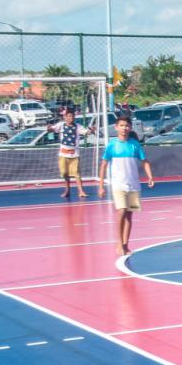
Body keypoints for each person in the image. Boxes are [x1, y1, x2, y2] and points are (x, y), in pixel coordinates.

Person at [97, 115, 154, 256]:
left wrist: (150, 176)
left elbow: (145, 161)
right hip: (118, 185)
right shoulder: (112, 145)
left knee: (129, 215)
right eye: (121, 125)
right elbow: (104, 164)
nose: (124, 128)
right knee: (121, 211)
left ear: (130, 127)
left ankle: (125, 244)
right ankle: (118, 243)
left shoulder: (135, 144)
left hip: (134, 185)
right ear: (116, 127)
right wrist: (101, 185)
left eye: (127, 125)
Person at [54, 106, 91, 199]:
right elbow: (52, 129)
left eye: (73, 116)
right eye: (69, 116)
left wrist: (91, 130)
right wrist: (49, 128)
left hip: (74, 154)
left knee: (76, 173)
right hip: (63, 154)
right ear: (65, 117)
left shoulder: (78, 127)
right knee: (64, 173)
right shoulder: (61, 125)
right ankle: (67, 190)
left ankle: (81, 191)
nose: (71, 118)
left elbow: (86, 132)